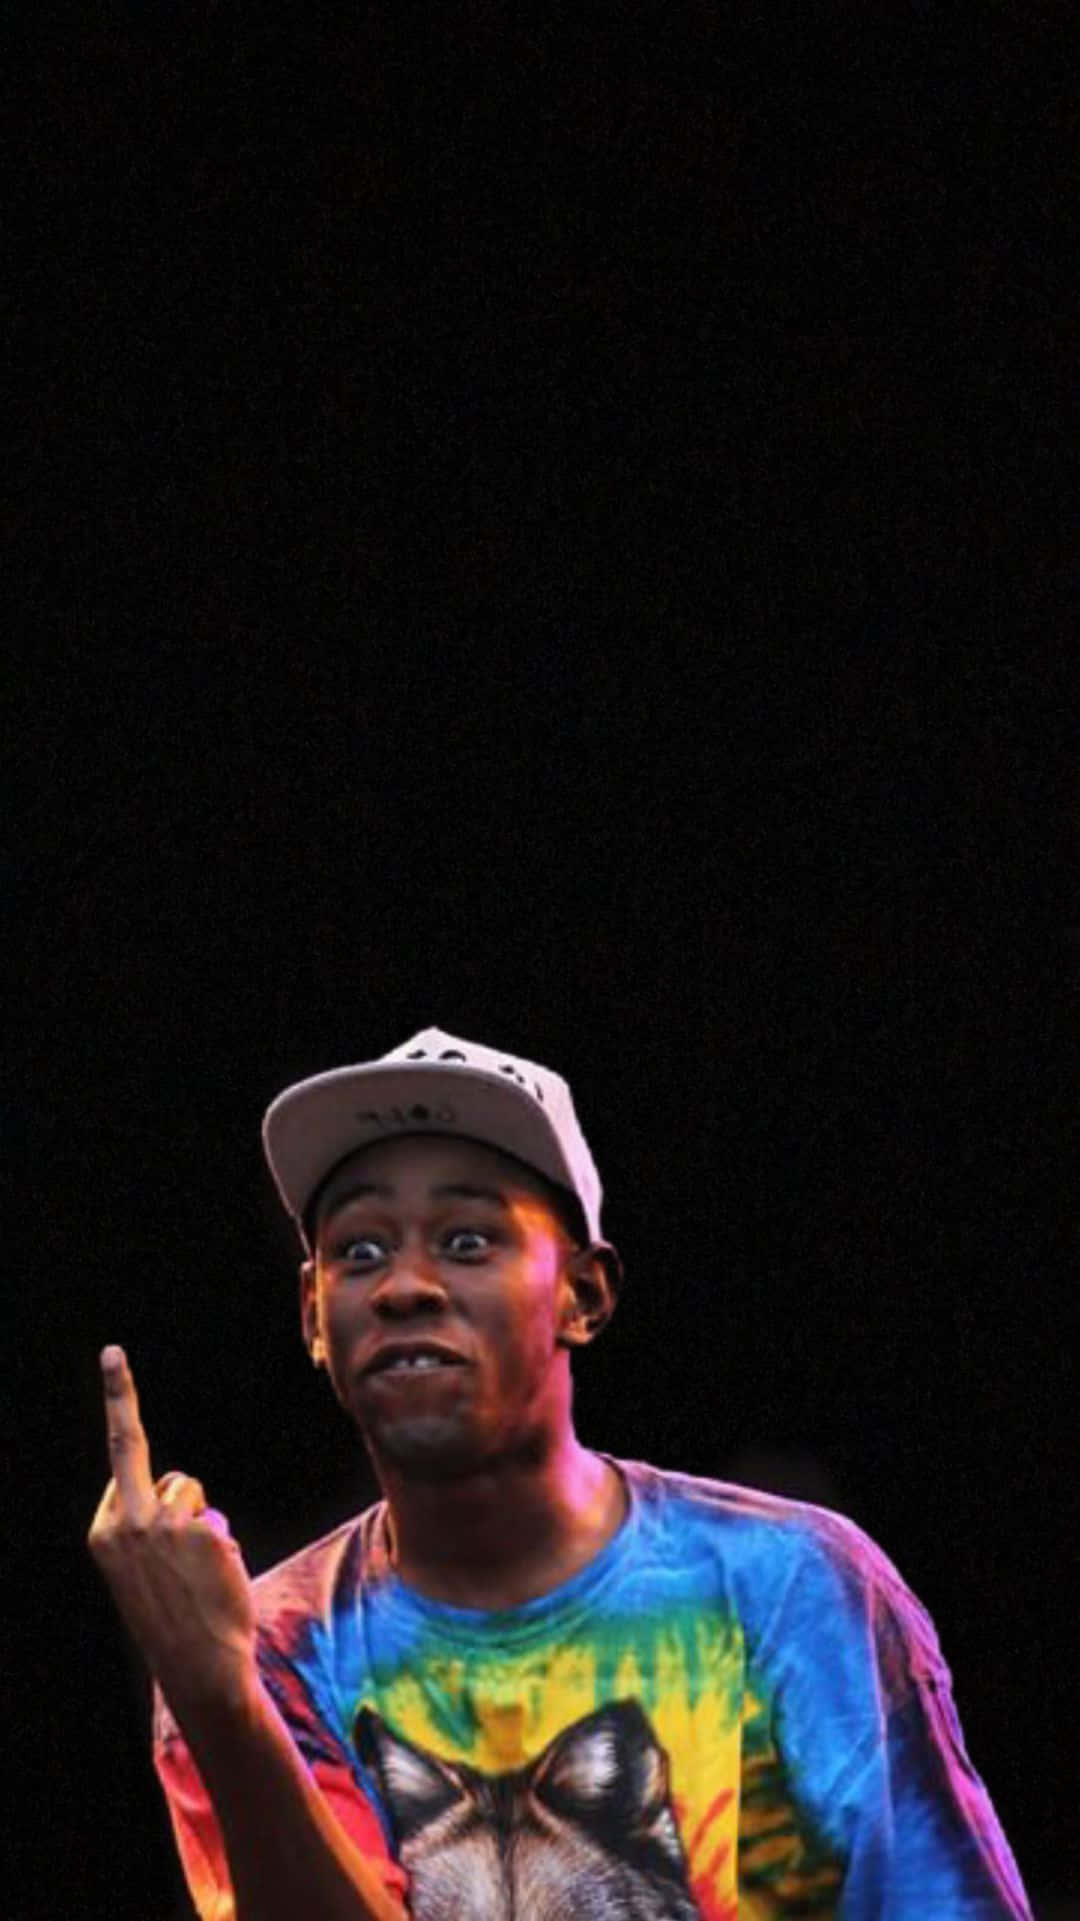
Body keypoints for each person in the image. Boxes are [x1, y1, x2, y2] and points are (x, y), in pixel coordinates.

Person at [89, 1026, 1032, 1921]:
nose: (405, 1285)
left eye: (467, 1239)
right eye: (360, 1249)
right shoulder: (256, 1653)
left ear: (584, 1292)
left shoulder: (796, 1589)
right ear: (312, 1316)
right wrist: (220, 1698)